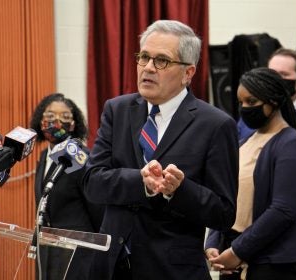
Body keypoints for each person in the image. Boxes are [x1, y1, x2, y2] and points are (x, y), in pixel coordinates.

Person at [83, 20, 239, 280]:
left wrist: (179, 190)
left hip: (171, 270)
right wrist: (140, 182)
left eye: (162, 61)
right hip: (110, 267)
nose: (148, 68)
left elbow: (223, 213)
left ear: (188, 73)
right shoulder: (117, 110)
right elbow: (92, 181)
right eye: (144, 57)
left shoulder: (215, 125)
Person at [206, 67, 296, 280]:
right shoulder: (243, 143)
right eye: (241, 102)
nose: (245, 108)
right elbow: (225, 198)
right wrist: (213, 243)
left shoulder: (293, 144)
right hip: (235, 258)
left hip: (278, 264)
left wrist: (238, 251)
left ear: (273, 101)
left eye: (252, 102)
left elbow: (283, 210)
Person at [238, 48, 296, 243]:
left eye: (283, 75)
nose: (276, 80)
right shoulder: (248, 118)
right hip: (246, 223)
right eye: (272, 73)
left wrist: (279, 193)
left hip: (295, 222)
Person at [30, 93, 103, 280]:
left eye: (65, 116)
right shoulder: (44, 156)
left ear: (74, 123)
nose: (56, 121)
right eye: (50, 116)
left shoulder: (81, 158)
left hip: (78, 254)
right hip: (47, 253)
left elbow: (97, 210)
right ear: (40, 121)